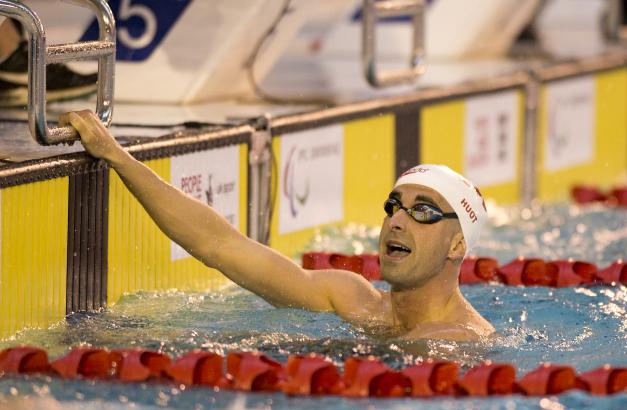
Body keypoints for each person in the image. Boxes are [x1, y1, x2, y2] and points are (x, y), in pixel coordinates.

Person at [63, 110, 495, 341]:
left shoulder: (456, 341)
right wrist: (118, 156)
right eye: (393, 205)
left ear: (458, 245)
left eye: (422, 211)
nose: (397, 222)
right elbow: (221, 246)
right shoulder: (351, 297)